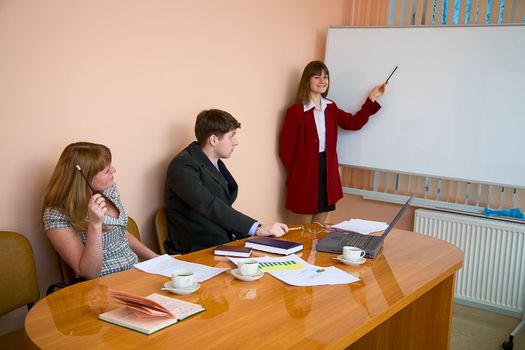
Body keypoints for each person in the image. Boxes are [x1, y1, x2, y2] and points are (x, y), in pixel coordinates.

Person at [165, 109, 289, 254]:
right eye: (231, 136)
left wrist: (254, 233)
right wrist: (257, 228)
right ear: (213, 140)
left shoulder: (212, 161)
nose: (236, 142)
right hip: (196, 250)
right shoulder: (182, 165)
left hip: (224, 242)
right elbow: (209, 204)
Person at [279, 60, 386, 224]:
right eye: (317, 77)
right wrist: (298, 173)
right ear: (307, 80)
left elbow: (353, 123)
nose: (322, 81)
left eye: (325, 77)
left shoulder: (331, 107)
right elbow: (286, 150)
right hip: (304, 175)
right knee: (302, 232)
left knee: (319, 228)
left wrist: (372, 97)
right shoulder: (295, 112)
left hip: (327, 173)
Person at [42, 142, 158, 279]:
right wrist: (95, 225)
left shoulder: (109, 190)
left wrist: (159, 260)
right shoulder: (56, 215)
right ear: (85, 178)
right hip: (102, 284)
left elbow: (122, 234)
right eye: (107, 171)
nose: (114, 170)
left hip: (134, 272)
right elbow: (89, 272)